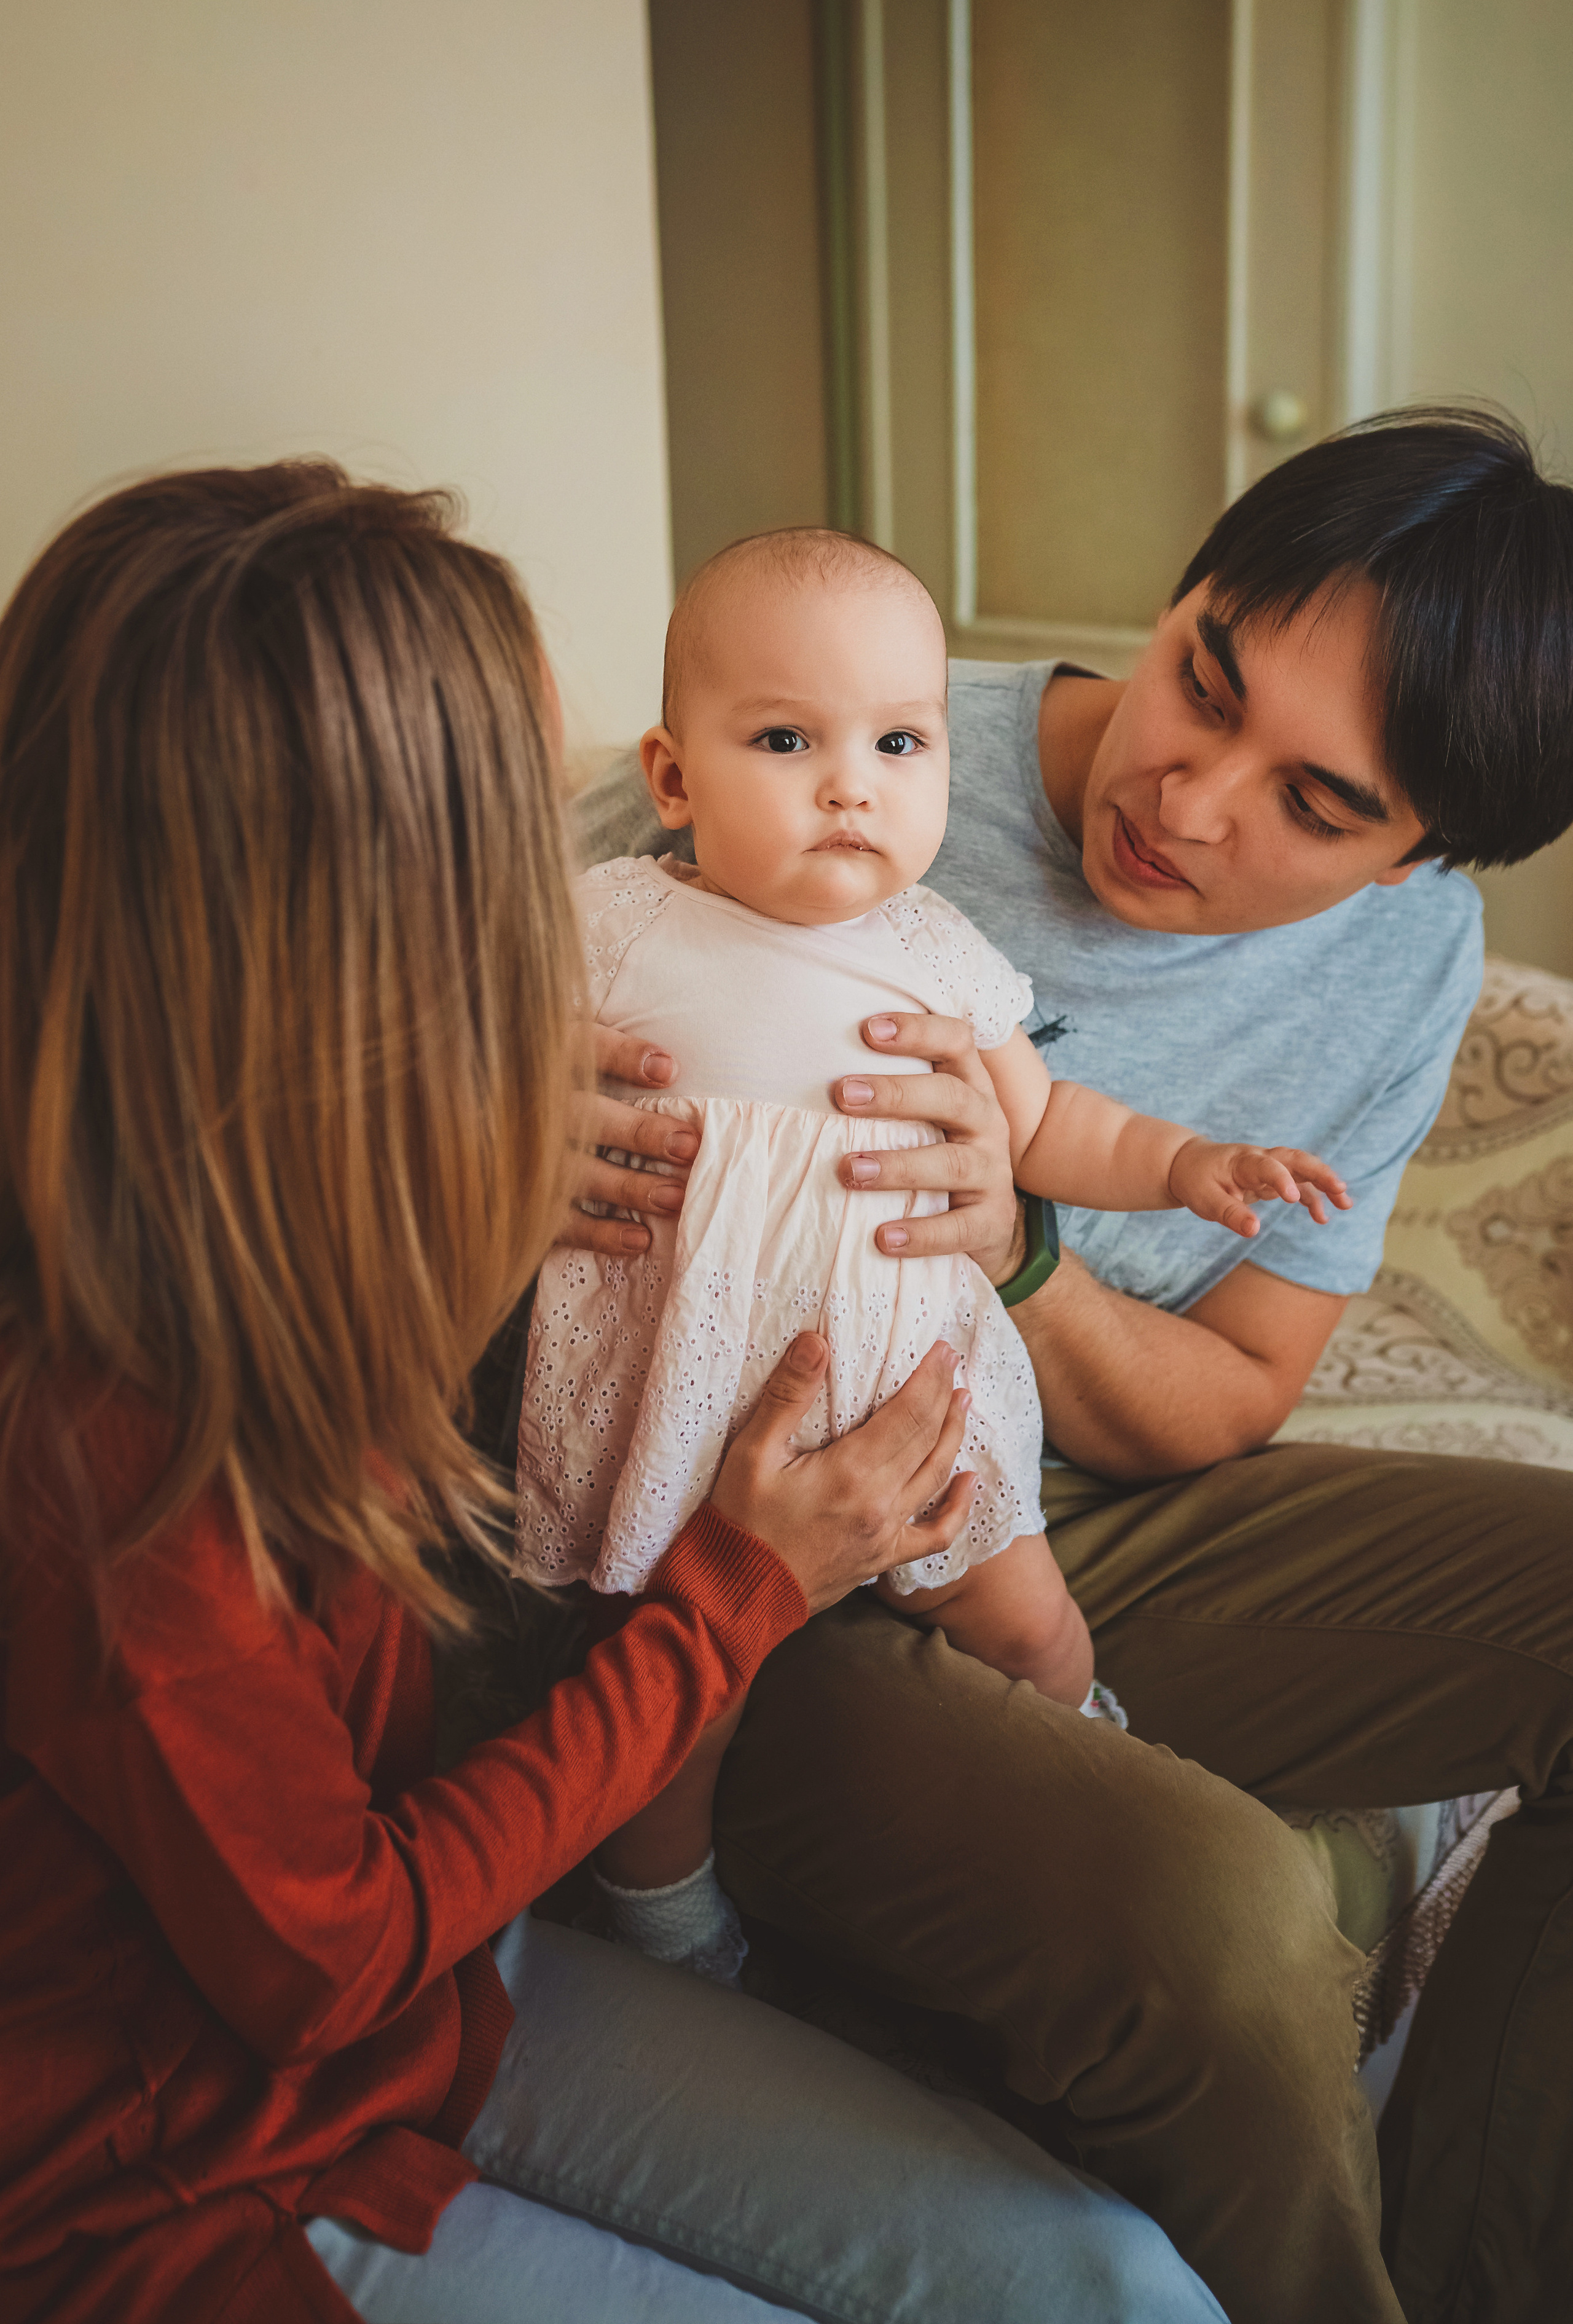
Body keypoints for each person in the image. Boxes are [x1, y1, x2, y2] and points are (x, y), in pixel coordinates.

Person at [0, 465, 1226, 2324]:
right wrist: (733, 1594)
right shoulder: (95, 1449)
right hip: (169, 2180)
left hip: (441, 1999)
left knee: (1107, 2283)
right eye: (513, 843)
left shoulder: (335, 1183)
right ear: (352, 933)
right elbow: (322, 1959)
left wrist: (995, 1217)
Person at [567, 409, 1573, 2324]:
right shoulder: (824, 725)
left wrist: (1018, 1245)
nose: (1189, 799)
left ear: (1416, 860)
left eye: (1317, 804)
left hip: (1060, 1494)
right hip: (755, 1523)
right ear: (1183, 592)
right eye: (1206, 680)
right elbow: (422, 1050)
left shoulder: (1411, 958)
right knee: (1226, 1928)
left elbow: (1237, 1395)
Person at [518, 526, 1349, 1979]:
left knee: (1029, 1622)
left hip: (913, 1404)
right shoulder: (612, 926)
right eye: (785, 740)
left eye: (899, 743)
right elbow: (461, 1058)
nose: (851, 784)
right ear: (671, 779)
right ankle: (662, 1923)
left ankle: (1096, 1765)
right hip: (696, 1414)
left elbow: (1055, 1127)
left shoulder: (938, 956)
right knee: (676, 1694)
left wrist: (1185, 1166)